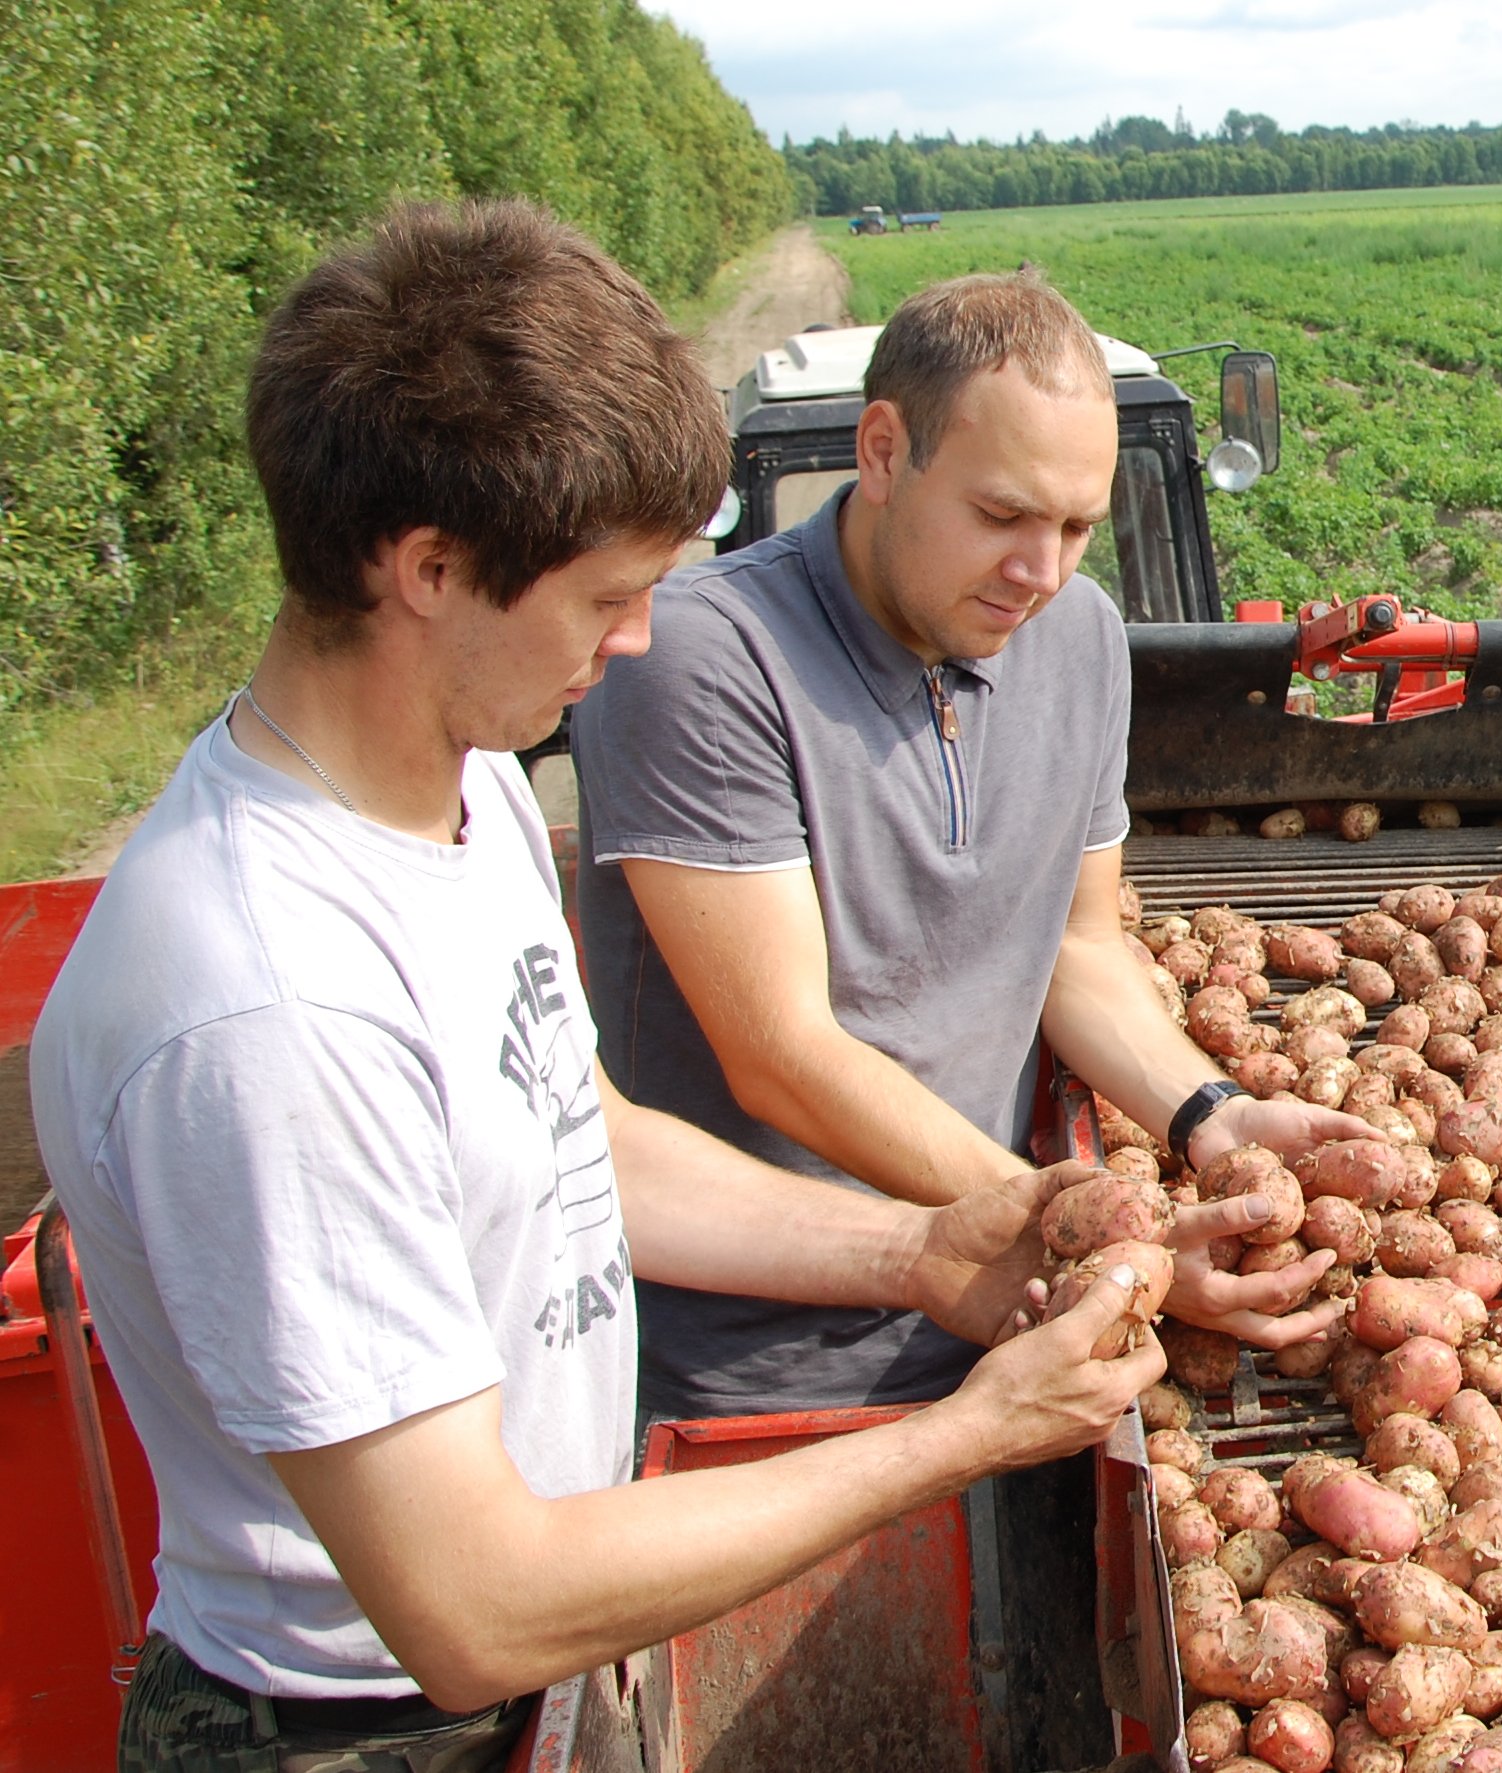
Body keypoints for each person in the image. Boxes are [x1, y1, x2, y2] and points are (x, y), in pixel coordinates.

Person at [28, 201, 1236, 1773]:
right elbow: (470, 1603)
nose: (646, 635)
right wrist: (964, 1436)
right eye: (605, 597)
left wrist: (927, 1247)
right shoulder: (274, 1005)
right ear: (430, 568)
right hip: (370, 1730)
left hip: (537, 1654)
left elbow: (584, 1141)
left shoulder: (457, 816)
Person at [571, 269, 1363, 1427]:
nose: (1040, 572)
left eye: (1077, 528)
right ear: (884, 452)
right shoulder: (706, 657)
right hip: (758, 1371)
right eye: (1002, 517)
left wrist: (1206, 1113)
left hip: (1010, 1312)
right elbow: (780, 1051)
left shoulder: (1081, 637)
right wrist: (1108, 1238)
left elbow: (1078, 945)